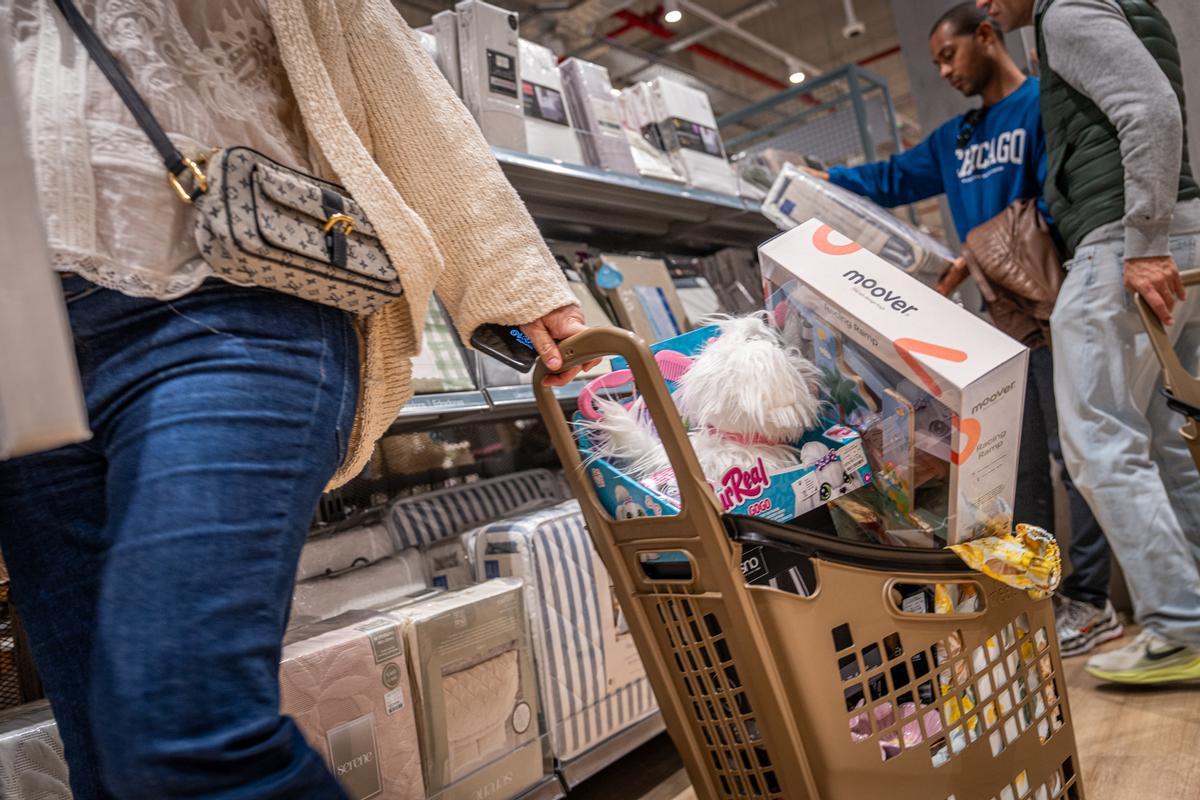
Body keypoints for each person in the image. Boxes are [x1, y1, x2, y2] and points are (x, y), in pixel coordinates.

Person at [0, 1, 589, 797]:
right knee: (106, 757)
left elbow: (381, 61)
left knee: (183, 729)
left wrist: (511, 277)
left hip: (235, 293)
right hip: (24, 356)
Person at [809, 2, 1117, 657]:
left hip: (1057, 304)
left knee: (1080, 454)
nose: (944, 70)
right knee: (1027, 464)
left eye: (949, 55)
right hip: (1001, 324)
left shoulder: (1041, 103)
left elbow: (1060, 194)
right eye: (937, 63)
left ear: (986, 35)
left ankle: (1093, 601)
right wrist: (823, 179)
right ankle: (1046, 595)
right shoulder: (957, 140)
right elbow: (891, 179)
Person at [979, 0, 1200, 684]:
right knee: (1166, 442)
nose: (986, 5)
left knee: (1097, 440)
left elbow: (1152, 112)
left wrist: (1143, 243)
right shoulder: (1115, 4)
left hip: (1119, 247)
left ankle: (1182, 624)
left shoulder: (1067, 12)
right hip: (1171, 232)